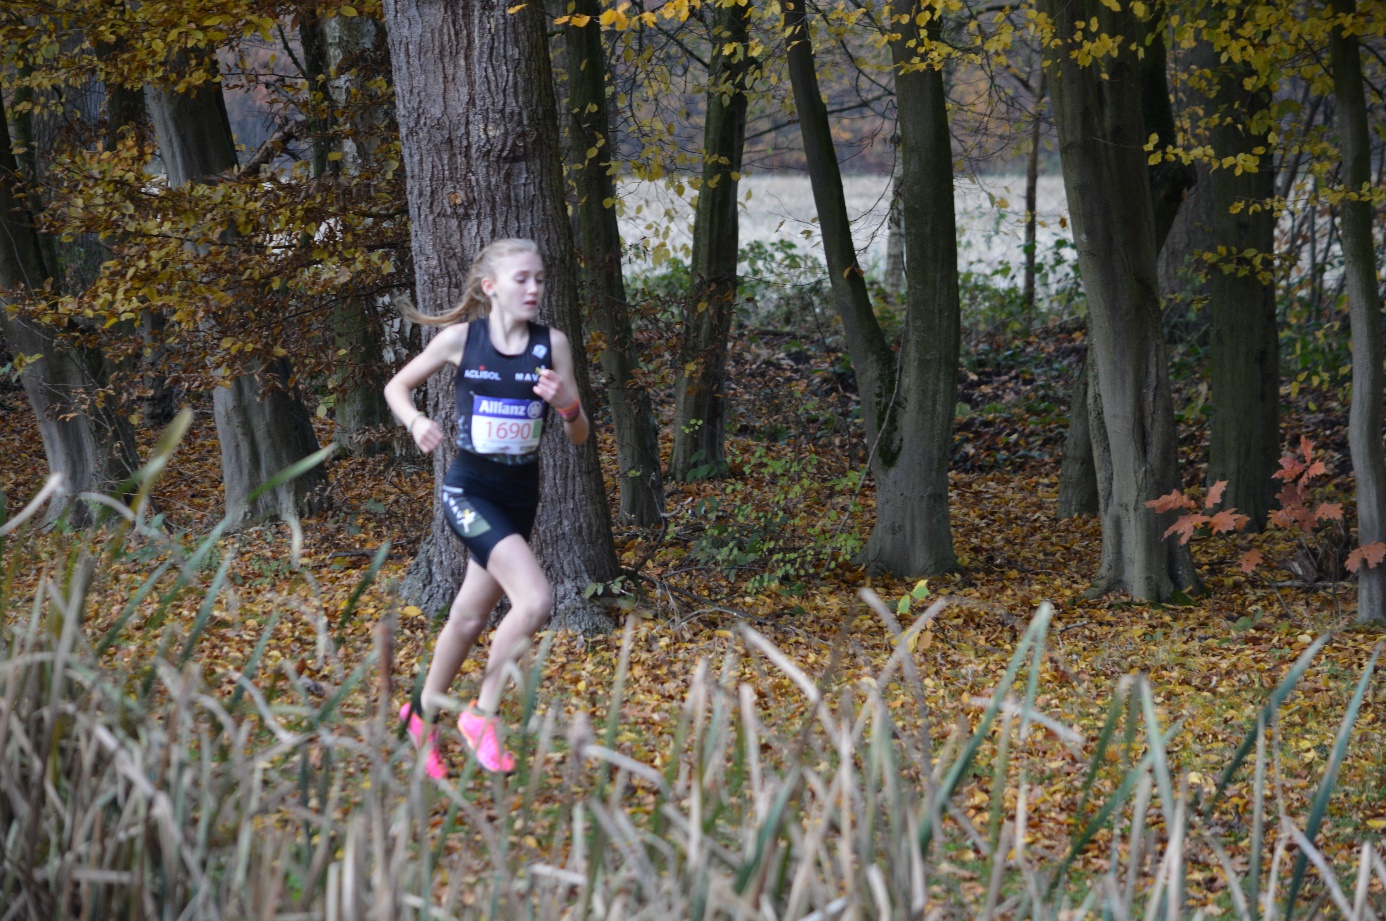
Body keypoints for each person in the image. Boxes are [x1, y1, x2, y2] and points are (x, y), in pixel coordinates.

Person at [384, 238, 588, 776]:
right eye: (522, 278)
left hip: (521, 495)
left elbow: (580, 433)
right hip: (468, 490)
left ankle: (419, 714)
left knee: (471, 615)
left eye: (540, 278)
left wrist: (564, 404)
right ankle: (482, 713)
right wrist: (416, 422)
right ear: (490, 287)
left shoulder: (553, 346)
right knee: (536, 599)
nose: (534, 288)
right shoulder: (460, 341)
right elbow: (396, 387)